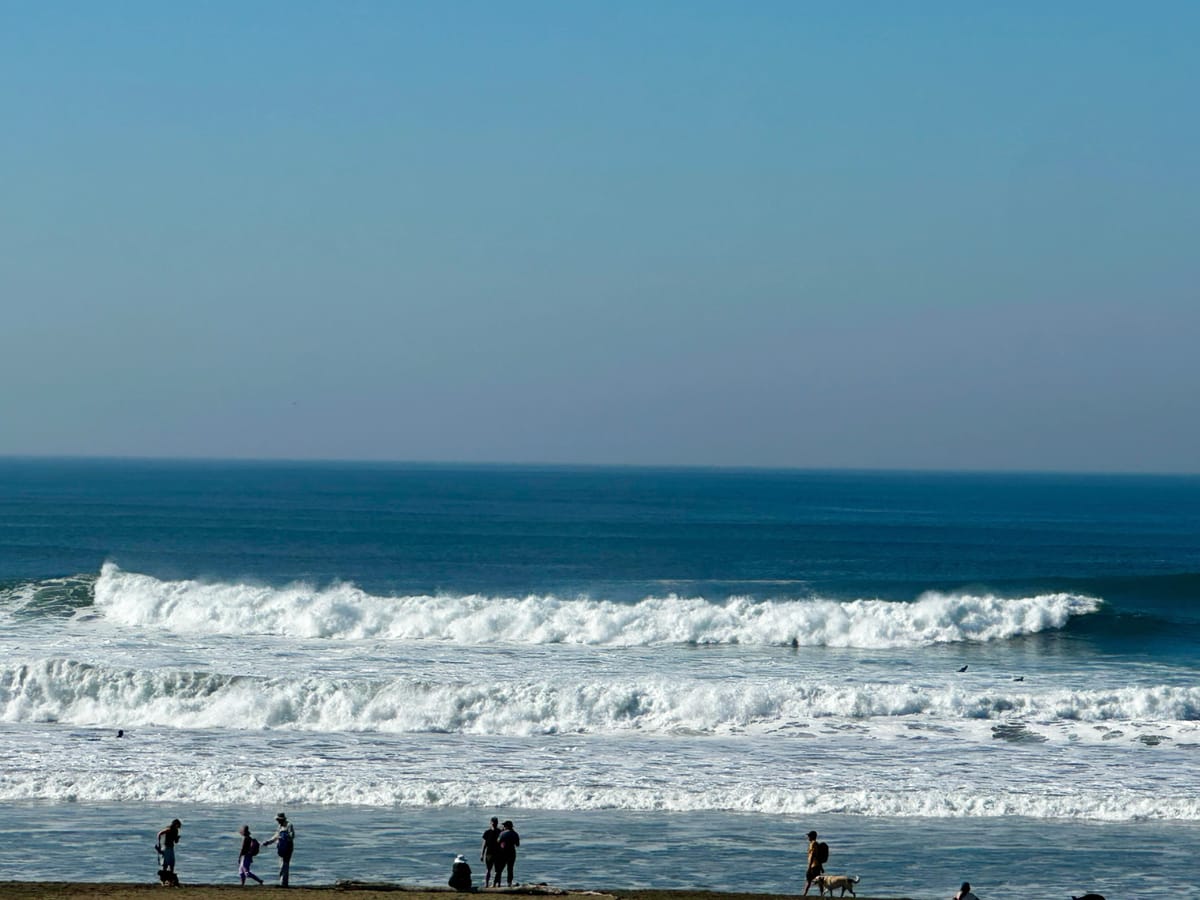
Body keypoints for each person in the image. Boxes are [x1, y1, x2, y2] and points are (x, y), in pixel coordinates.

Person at [262, 812, 296, 887]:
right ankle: (283, 882)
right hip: (281, 847)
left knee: (285, 865)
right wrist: (268, 842)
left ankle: (283, 884)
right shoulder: (279, 826)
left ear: (282, 819)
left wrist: (284, 837)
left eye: (278, 819)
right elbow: (276, 836)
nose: (277, 821)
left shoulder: (289, 825)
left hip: (288, 847)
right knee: (282, 865)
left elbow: (292, 836)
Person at [496, 820, 520, 887]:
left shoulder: (503, 833)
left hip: (503, 852)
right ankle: (509, 883)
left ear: (506, 826)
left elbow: (498, 841)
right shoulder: (515, 834)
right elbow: (517, 844)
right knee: (510, 869)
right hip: (512, 852)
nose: (503, 826)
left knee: (500, 869)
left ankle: (498, 883)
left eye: (504, 825)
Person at [480, 817, 502, 887]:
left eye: (496, 822)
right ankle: (486, 884)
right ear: (491, 822)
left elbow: (502, 843)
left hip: (498, 853)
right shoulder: (487, 832)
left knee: (497, 870)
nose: (495, 823)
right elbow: (484, 844)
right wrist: (482, 854)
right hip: (489, 853)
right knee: (488, 869)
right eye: (493, 822)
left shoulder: (500, 832)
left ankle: (495, 884)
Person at [802, 830, 823, 895]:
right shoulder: (813, 843)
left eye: (809, 836)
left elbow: (813, 855)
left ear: (812, 836)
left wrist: (809, 867)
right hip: (816, 865)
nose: (808, 837)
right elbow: (818, 857)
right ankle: (821, 894)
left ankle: (805, 894)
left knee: (813, 880)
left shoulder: (813, 844)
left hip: (814, 866)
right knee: (813, 880)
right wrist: (821, 867)